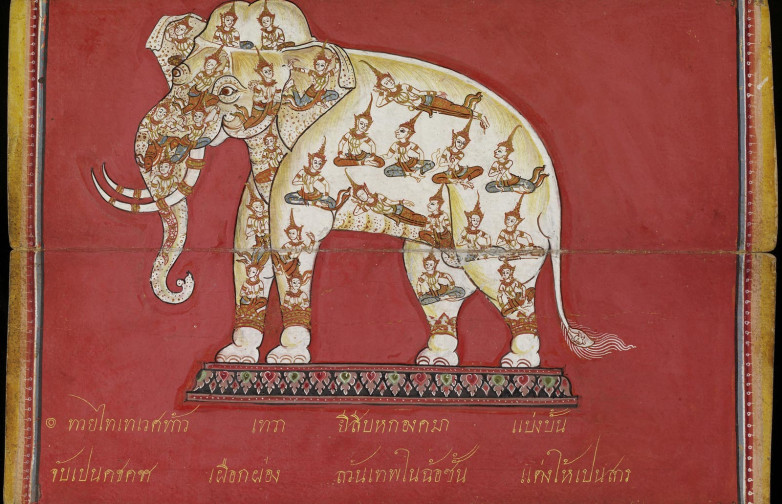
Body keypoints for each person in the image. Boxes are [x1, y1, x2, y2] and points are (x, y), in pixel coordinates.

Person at [363, 61, 489, 130]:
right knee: (454, 113)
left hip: (429, 101)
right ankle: (475, 114)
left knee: (453, 108)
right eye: (385, 83)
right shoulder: (391, 96)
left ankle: (480, 116)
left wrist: (436, 93)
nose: (389, 82)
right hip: (424, 107)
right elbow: (379, 104)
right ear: (383, 86)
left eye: (389, 80)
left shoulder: (404, 86)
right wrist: (382, 93)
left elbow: (420, 92)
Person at [284, 139, 350, 210]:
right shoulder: (303, 171)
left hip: (314, 195)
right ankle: (312, 203)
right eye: (315, 162)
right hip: (303, 194)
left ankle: (311, 202)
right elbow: (294, 182)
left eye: (319, 163)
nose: (317, 165)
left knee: (332, 204)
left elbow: (326, 184)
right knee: (287, 198)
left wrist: (326, 194)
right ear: (311, 161)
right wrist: (303, 182)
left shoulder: (317, 176)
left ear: (321, 165)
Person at [345, 173, 427, 228]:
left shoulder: (378, 197)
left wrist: (402, 202)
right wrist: (359, 203)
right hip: (393, 216)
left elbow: (390, 202)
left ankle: (429, 221)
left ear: (366, 191)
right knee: (412, 223)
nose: (362, 197)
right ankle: (428, 227)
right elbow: (355, 213)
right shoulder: (368, 206)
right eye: (359, 196)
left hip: (398, 210)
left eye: (362, 194)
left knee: (414, 217)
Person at [485, 126, 548, 194]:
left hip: (513, 180)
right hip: (503, 182)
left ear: (505, 153)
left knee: (531, 187)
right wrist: (497, 174)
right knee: (488, 187)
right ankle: (515, 188)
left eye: (499, 151)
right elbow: (490, 174)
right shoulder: (496, 163)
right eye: (497, 150)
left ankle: (514, 188)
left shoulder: (509, 162)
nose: (495, 151)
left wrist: (498, 179)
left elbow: (502, 172)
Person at [430, 116, 483, 187]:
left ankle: (464, 180)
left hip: (461, 172)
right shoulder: (447, 150)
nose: (460, 145)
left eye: (463, 143)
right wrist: (448, 160)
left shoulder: (461, 154)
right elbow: (441, 164)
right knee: (435, 178)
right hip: (450, 174)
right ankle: (458, 181)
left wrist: (448, 161)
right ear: (454, 140)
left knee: (479, 169)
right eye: (459, 142)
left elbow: (453, 165)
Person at [234, 50, 281, 129]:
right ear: (262, 73)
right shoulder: (260, 85)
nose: (269, 72)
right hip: (260, 107)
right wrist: (262, 98)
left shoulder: (275, 85)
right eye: (266, 71)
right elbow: (255, 98)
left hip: (270, 106)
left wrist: (273, 98)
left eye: (270, 70)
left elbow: (278, 97)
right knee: (253, 122)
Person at [284, 44, 339, 111]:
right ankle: (293, 86)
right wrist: (292, 68)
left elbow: (336, 69)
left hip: (322, 93)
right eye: (317, 64)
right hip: (311, 94)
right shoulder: (313, 73)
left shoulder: (327, 74)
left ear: (325, 66)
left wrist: (336, 59)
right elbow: (303, 70)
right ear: (315, 65)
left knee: (335, 95)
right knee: (300, 104)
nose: (319, 67)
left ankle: (320, 101)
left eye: (322, 65)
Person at [334, 96, 384, 167]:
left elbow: (372, 144)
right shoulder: (349, 134)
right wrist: (340, 153)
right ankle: (363, 163)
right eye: (361, 123)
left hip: (361, 156)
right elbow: (341, 142)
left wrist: (372, 156)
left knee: (381, 162)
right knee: (336, 161)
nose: (363, 126)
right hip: (350, 156)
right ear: (357, 122)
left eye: (366, 125)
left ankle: (361, 162)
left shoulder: (364, 137)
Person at [382, 112, 434, 180]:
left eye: (402, 131)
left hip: (412, 163)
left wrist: (420, 164)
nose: (397, 131)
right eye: (398, 129)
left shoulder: (410, 144)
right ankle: (411, 174)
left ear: (408, 134)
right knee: (387, 171)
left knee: (431, 163)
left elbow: (420, 152)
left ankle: (418, 173)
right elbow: (388, 155)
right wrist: (378, 157)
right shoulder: (395, 145)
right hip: (400, 165)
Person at [183, 45, 226, 114]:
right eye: (208, 62)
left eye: (211, 64)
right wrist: (185, 87)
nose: (208, 65)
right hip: (195, 92)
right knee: (192, 106)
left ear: (215, 67)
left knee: (215, 99)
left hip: (204, 93)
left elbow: (223, 69)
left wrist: (224, 58)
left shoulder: (214, 75)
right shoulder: (201, 74)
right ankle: (181, 113)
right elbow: (193, 82)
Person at [273, 209, 316, 277]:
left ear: (297, 233)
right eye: (289, 233)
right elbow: (281, 255)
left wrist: (312, 241)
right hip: (287, 264)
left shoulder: (301, 244)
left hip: (294, 264)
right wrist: (287, 259)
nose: (291, 235)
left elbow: (309, 251)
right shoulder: (287, 245)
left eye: (293, 233)